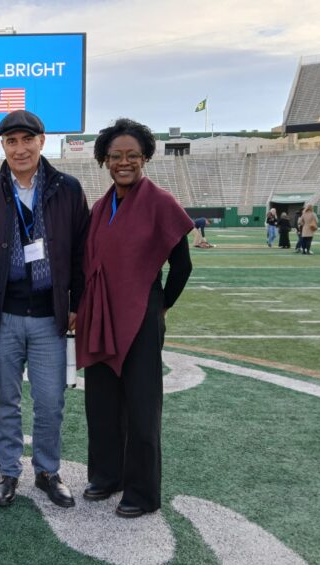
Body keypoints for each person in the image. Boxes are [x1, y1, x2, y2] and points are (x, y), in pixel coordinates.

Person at [0, 110, 89, 509]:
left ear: (42, 141)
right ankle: (8, 471)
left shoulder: (68, 189)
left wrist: (77, 302)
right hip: (2, 316)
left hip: (50, 315)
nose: (20, 149)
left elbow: (82, 253)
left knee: (50, 401)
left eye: (27, 140)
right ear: (3, 145)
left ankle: (47, 470)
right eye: (11, 141)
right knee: (6, 400)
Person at [76, 118, 193, 519]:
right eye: (115, 156)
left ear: (144, 158)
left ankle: (142, 492)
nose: (123, 162)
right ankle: (106, 476)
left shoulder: (160, 202)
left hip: (141, 316)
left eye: (132, 155)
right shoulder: (100, 206)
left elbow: (182, 266)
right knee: (102, 403)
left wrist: (161, 306)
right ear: (104, 160)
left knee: (142, 407)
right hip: (100, 316)